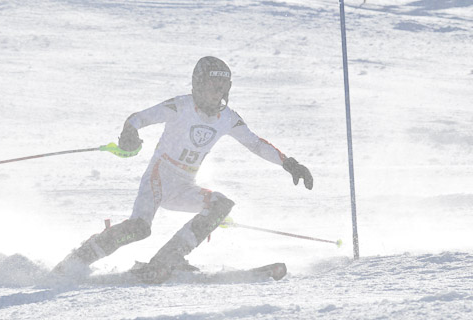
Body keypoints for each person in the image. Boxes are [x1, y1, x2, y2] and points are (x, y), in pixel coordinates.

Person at [53, 56, 313, 281]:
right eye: (214, 85)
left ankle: (168, 259)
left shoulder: (228, 118)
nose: (218, 92)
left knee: (220, 205)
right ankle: (76, 260)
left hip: (184, 185)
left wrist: (288, 163)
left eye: (223, 87)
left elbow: (256, 144)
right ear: (199, 85)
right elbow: (138, 118)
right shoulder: (181, 106)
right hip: (159, 178)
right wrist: (129, 133)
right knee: (139, 228)